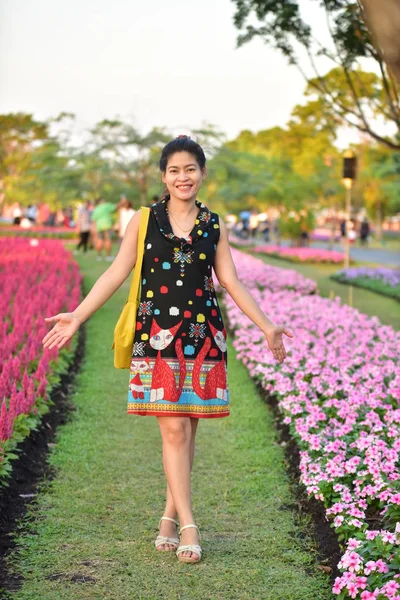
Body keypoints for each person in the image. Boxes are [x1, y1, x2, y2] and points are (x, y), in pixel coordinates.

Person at [42, 135, 293, 565]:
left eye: (190, 169)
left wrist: (267, 325)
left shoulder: (215, 225)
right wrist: (78, 316)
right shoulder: (143, 221)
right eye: (174, 170)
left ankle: (167, 517)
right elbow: (116, 272)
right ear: (164, 176)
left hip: (203, 338)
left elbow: (230, 281)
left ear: (202, 174)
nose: (183, 177)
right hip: (156, 336)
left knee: (187, 431)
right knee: (173, 430)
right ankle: (190, 525)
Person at [91, 197, 121, 261]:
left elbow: (93, 220)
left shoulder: (96, 209)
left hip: (99, 227)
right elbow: (116, 206)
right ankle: (108, 256)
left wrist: (93, 228)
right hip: (107, 226)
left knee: (99, 241)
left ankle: (99, 256)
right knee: (108, 240)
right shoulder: (106, 206)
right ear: (101, 201)